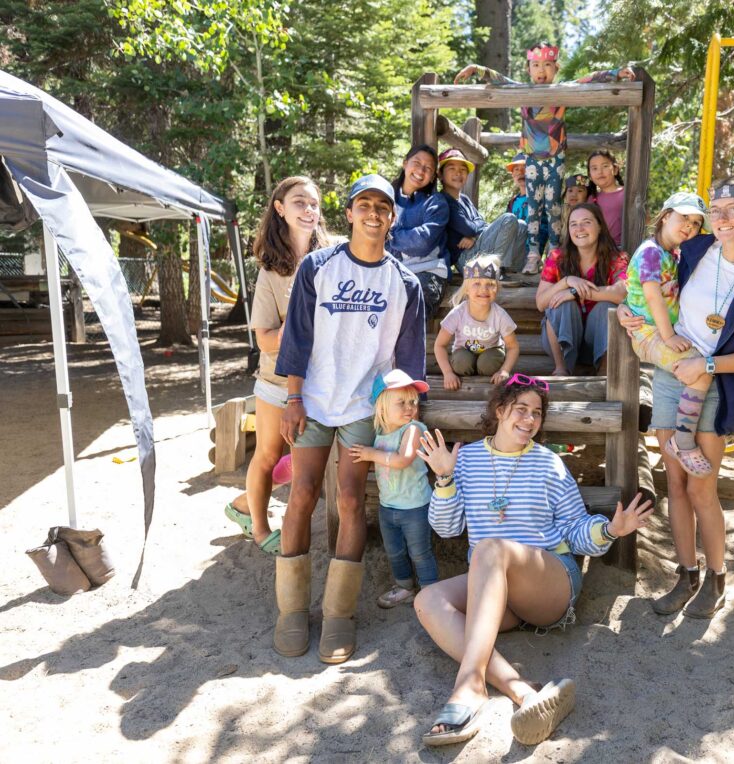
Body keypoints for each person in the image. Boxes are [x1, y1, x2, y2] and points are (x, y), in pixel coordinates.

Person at [414, 377, 653, 746]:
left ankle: (469, 688)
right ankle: (524, 691)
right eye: (520, 409)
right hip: (497, 591)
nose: (529, 420)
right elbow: (447, 529)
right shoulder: (467, 461)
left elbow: (574, 529)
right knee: (427, 600)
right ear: (499, 410)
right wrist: (444, 477)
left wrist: (610, 530)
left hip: (550, 584)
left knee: (490, 549)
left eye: (536, 413)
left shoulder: (548, 463)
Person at [617, 175, 734, 620]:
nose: (723, 218)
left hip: (714, 382)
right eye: (717, 210)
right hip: (671, 372)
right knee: (674, 485)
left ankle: (716, 577)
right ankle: (686, 575)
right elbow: (643, 280)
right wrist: (626, 309)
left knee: (701, 488)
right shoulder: (691, 251)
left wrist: (707, 365)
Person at [272, 174, 426, 663]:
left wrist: (398, 420)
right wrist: (292, 398)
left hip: (365, 406)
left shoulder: (405, 282)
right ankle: (291, 610)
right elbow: (296, 336)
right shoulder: (319, 267)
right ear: (350, 212)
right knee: (301, 494)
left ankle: (339, 614)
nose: (374, 213)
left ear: (392, 216)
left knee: (350, 499)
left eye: (384, 206)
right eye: (365, 204)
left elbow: (407, 360)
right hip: (314, 400)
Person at [454, 43, 635, 275]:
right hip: (531, 160)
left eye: (547, 65)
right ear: (528, 68)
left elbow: (587, 80)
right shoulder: (523, 91)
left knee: (553, 207)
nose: (542, 70)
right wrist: (476, 69)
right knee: (533, 207)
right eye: (536, 65)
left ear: (556, 68)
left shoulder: (562, 90)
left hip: (555, 159)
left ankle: (555, 254)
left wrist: (615, 74)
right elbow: (501, 80)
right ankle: (532, 255)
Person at [223, 176, 330, 556]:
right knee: (268, 456)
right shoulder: (271, 272)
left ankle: (242, 501)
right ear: (280, 209)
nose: (309, 210)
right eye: (300, 202)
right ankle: (257, 525)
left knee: (305, 460)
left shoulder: (334, 259)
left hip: (325, 382)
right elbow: (265, 340)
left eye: (314, 203)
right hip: (277, 382)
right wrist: (297, 324)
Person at [624, 191, 716, 476]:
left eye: (696, 223)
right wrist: (668, 336)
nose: (689, 226)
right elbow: (652, 296)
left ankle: (682, 435)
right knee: (700, 370)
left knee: (701, 366)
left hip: (658, 331)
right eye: (683, 217)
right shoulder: (651, 252)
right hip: (650, 333)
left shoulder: (671, 254)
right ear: (665, 217)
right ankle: (683, 440)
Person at [349, 370, 438, 608]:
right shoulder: (379, 433)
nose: (409, 407)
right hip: (387, 506)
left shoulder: (414, 429)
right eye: (401, 402)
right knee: (394, 551)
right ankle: (405, 586)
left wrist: (370, 454)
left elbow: (403, 459)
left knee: (420, 552)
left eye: (413, 402)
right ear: (382, 407)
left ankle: (431, 590)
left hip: (415, 506)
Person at [535, 203, 628, 375]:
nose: (580, 228)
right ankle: (561, 368)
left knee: (606, 306)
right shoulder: (557, 257)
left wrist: (575, 292)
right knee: (561, 304)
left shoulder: (617, 257)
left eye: (586, 222)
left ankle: (604, 372)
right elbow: (541, 303)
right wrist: (567, 282)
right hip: (560, 338)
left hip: (597, 339)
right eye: (573, 224)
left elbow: (621, 293)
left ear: (600, 226)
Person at [434, 254, 520, 389]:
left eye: (490, 284)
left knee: (487, 364)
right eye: (477, 283)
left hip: (491, 353)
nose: (483, 289)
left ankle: (485, 377)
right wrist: (448, 373)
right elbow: (439, 345)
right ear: (467, 289)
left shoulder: (500, 315)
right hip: (464, 353)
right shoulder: (458, 313)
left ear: (497, 288)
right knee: (461, 363)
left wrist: (504, 371)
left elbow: (513, 347)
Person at [439, 148, 527, 274]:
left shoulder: (464, 199)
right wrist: (473, 231)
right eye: (452, 169)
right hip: (464, 258)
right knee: (509, 219)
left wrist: (473, 237)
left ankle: (510, 271)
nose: (458, 173)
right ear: (440, 174)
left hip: (476, 248)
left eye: (463, 169)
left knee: (522, 225)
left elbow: (481, 223)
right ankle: (493, 272)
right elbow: (469, 228)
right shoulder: (443, 200)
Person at [386, 144, 450, 318]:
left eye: (428, 168)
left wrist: (389, 233)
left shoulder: (436, 203)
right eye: (416, 163)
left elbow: (422, 242)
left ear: (432, 177)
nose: (421, 171)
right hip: (389, 273)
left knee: (405, 313)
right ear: (404, 163)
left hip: (427, 273)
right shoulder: (386, 198)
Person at [506, 152, 550, 255]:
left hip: (531, 255)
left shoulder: (542, 198)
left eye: (525, 168)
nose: (521, 172)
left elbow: (545, 229)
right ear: (512, 174)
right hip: (511, 253)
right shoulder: (513, 202)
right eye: (516, 169)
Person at [586, 150, 626, 248]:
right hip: (599, 250)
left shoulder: (628, 194)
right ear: (590, 176)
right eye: (594, 168)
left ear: (615, 169)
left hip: (625, 249)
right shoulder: (591, 199)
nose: (600, 172)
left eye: (605, 166)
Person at [557, 171, 589, 248]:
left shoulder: (589, 212)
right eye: (570, 191)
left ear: (587, 195)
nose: (574, 194)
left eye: (580, 191)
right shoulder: (560, 211)